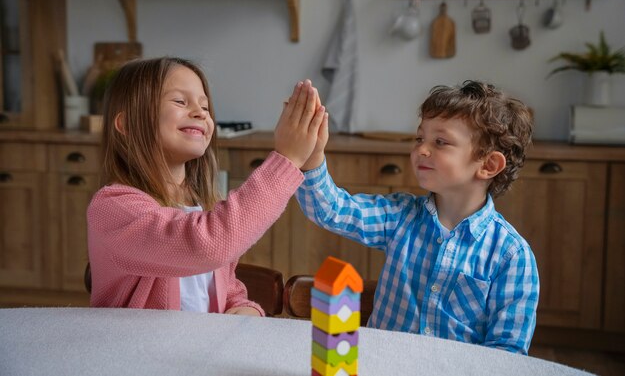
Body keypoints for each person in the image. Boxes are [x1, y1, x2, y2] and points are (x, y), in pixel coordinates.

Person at [296, 80, 539, 354]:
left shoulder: (512, 256)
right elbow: (331, 210)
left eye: (441, 142)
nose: (422, 149)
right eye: (420, 138)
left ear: (489, 165)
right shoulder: (400, 216)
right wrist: (312, 156)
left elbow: (507, 354)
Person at [87, 56, 326, 316]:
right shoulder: (112, 208)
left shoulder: (203, 205)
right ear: (128, 125)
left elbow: (225, 286)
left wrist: (243, 308)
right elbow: (208, 245)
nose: (201, 112)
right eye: (180, 101)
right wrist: (287, 161)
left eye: (205, 106)